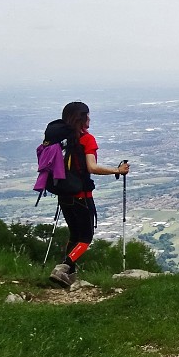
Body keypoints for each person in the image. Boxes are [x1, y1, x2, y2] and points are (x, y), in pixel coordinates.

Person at [45, 101, 130, 288]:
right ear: (81, 118)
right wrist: (117, 170)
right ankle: (63, 268)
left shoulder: (60, 138)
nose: (89, 119)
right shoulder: (86, 139)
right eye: (87, 116)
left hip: (63, 194)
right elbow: (92, 167)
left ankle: (69, 277)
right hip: (82, 195)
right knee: (86, 238)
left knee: (74, 235)